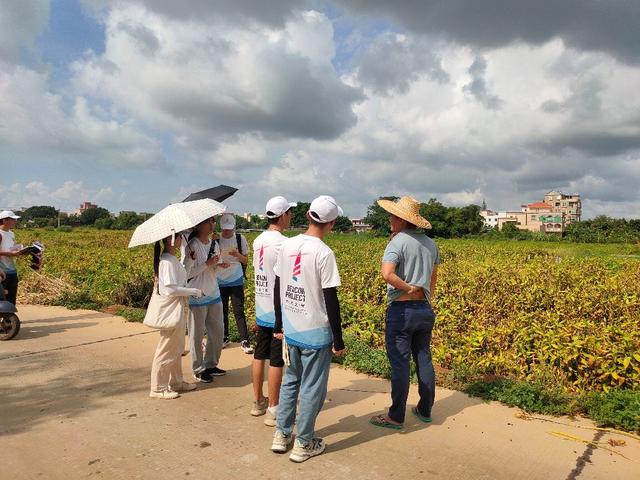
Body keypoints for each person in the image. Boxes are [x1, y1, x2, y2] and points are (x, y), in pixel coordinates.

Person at [271, 195, 346, 463]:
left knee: (290, 381)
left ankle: (281, 435)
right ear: (332, 223)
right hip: (315, 332)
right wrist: (338, 340)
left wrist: (279, 324)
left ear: (308, 216)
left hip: (291, 329)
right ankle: (304, 443)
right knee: (313, 388)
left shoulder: (288, 245)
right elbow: (331, 299)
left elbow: (278, 287)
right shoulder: (324, 253)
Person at [369, 196, 440, 429]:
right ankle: (425, 409)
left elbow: (387, 274)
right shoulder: (431, 244)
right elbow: (433, 278)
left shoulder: (397, 242)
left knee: (400, 363)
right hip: (424, 309)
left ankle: (396, 416)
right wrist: (428, 299)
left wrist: (408, 287)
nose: (389, 219)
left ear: (401, 219)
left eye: (392, 216)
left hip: (402, 309)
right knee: (424, 358)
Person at [251, 196, 296, 425]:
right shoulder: (282, 243)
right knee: (277, 359)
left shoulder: (257, 240)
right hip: (278, 309)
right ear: (282, 215)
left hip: (261, 305)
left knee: (260, 354)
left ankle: (258, 400)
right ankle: (273, 408)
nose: (291, 216)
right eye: (289, 212)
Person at [149, 233, 200, 399]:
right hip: (172, 310)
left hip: (178, 309)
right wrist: (194, 291)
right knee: (166, 350)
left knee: (176, 348)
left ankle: (177, 382)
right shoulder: (167, 262)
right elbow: (169, 289)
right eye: (179, 237)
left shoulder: (171, 259)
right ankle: (158, 388)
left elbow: (181, 278)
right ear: (170, 239)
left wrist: (190, 261)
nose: (181, 240)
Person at [183, 218, 226, 384]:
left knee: (217, 332)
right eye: (208, 222)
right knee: (196, 335)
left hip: (213, 292)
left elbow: (213, 265)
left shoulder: (214, 244)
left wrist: (218, 264)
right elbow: (187, 274)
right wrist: (207, 264)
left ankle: (211, 364)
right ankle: (198, 368)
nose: (212, 225)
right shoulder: (192, 246)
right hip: (197, 295)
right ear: (198, 225)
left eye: (213, 222)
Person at [216, 213, 253, 354]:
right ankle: (224, 337)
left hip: (236, 278)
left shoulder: (240, 238)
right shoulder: (216, 239)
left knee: (239, 310)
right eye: (225, 229)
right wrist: (220, 263)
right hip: (220, 278)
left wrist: (237, 255)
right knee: (222, 310)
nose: (227, 232)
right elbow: (211, 259)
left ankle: (244, 340)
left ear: (234, 227)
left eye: (229, 229)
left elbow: (245, 261)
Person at [0, 211, 25, 305]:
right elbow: (9, 252)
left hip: (11, 269)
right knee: (2, 297)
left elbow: (11, 248)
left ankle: (9, 318)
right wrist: (11, 253)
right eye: (13, 219)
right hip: (2, 271)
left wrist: (21, 251)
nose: (15, 221)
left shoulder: (11, 234)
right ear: (4, 220)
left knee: (11, 296)